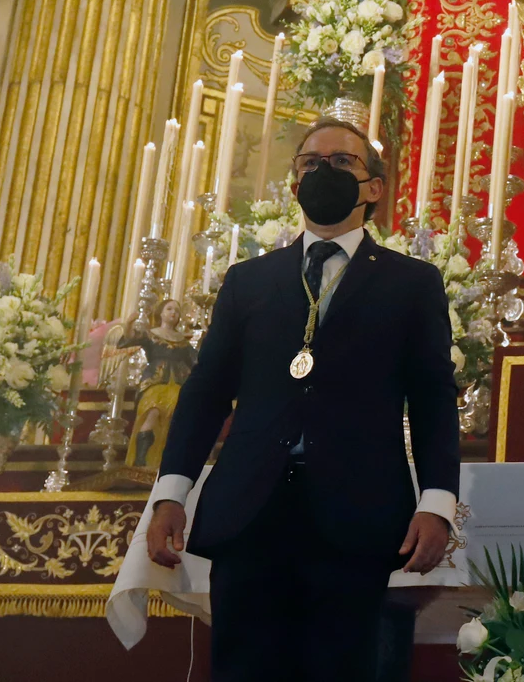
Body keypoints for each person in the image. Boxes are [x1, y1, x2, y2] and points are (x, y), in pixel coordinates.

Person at [142, 118, 459, 682]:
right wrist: (171, 493)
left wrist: (436, 503)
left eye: (343, 162)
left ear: (374, 187)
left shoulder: (411, 283)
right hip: (251, 511)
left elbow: (433, 397)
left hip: (354, 512)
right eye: (310, 163)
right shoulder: (248, 281)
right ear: (294, 184)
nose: (324, 171)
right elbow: (208, 390)